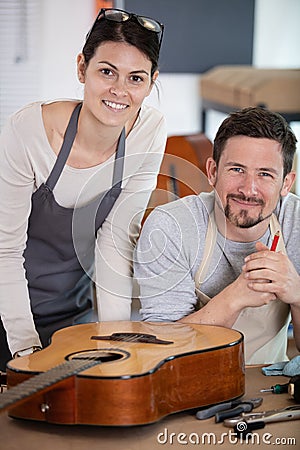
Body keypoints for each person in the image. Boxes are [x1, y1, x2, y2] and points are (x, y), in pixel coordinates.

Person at [0, 8, 167, 370]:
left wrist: (114, 341)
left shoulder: (148, 133)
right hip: (6, 314)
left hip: (71, 318)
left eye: (136, 78)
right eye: (106, 71)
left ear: (152, 82)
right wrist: (26, 352)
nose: (119, 91)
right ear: (82, 69)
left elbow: (115, 241)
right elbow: (6, 252)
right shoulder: (30, 131)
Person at [134, 106, 300, 365]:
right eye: (236, 170)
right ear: (212, 172)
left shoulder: (296, 222)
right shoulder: (170, 227)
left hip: (270, 381)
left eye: (265, 174)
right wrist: (234, 298)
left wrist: (297, 293)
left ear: (287, 183)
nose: (249, 189)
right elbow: (161, 347)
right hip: (188, 383)